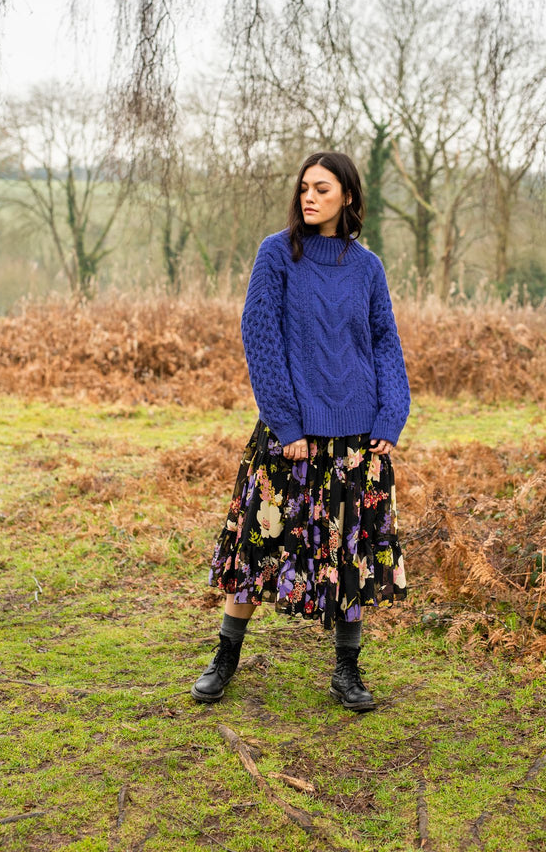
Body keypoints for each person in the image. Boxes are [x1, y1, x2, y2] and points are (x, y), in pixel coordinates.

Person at [191, 151, 410, 712]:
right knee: (257, 546)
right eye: (305, 188)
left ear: (349, 200)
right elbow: (260, 341)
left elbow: (384, 341)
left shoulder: (367, 267)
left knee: (351, 555)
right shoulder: (276, 255)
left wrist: (392, 414)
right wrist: (285, 421)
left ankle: (346, 671)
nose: (309, 197)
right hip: (292, 435)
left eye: (323, 189)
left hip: (358, 438)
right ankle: (225, 657)